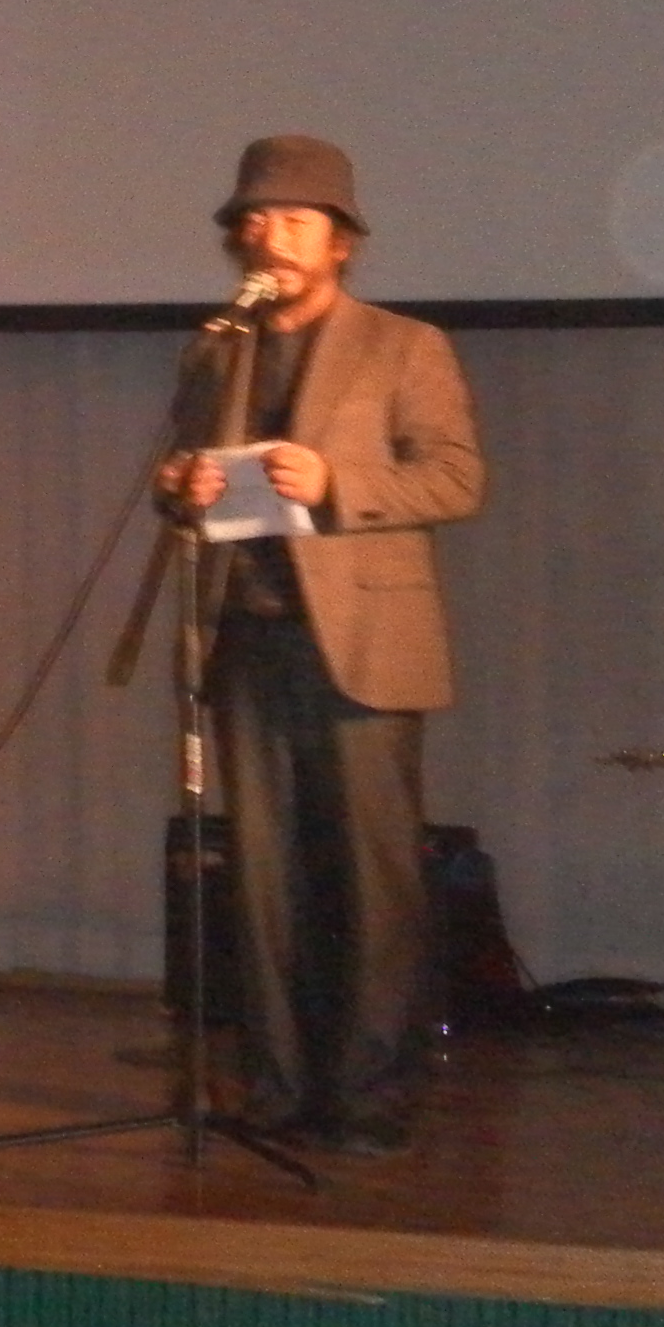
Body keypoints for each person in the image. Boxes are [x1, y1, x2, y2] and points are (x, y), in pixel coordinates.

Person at [151, 135, 484, 1157]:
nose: (271, 237)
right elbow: (181, 480)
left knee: (370, 881)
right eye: (254, 221)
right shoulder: (215, 350)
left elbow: (456, 478)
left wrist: (337, 481)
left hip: (362, 644)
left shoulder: (404, 345)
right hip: (244, 639)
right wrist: (181, 487)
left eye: (295, 221)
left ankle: (370, 1095)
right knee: (261, 880)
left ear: (341, 243)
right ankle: (277, 1087)